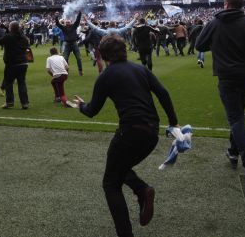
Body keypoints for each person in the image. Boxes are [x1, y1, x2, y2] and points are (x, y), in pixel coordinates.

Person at [74, 34, 179, 237]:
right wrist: (173, 122)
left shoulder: (105, 76)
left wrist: (80, 106)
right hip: (151, 132)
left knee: (110, 183)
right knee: (119, 168)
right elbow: (163, 92)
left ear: (103, 55)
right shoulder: (141, 69)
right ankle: (142, 190)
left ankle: (128, 227)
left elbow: (92, 111)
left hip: (130, 131)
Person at [195, 0, 245, 190]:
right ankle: (233, 152)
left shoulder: (215, 23)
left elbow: (199, 44)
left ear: (226, 4)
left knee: (235, 119)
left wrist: (216, 41)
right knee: (238, 116)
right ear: (241, 5)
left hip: (227, 77)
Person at [0, 21, 30, 109]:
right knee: (21, 83)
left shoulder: (8, 36)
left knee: (8, 83)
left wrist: (1, 31)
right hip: (23, 62)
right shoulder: (23, 37)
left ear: (10, 28)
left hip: (12, 63)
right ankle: (25, 103)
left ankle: (9, 102)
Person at [55, 11, 83, 76]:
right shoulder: (64, 28)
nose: (67, 23)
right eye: (66, 22)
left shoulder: (74, 26)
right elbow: (57, 23)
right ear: (65, 23)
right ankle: (66, 71)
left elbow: (78, 20)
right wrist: (56, 16)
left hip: (74, 44)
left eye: (68, 22)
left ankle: (80, 71)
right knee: (65, 59)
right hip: (67, 44)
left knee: (78, 58)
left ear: (71, 22)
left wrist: (79, 13)